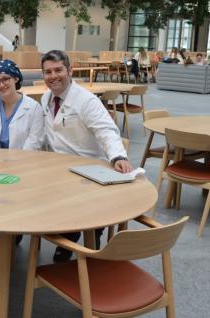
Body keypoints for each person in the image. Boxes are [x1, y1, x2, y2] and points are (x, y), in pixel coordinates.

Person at [40, 50, 131, 262]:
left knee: (87, 212)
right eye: (48, 72)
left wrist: (118, 157)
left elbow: (106, 131)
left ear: (70, 70)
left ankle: (91, 238)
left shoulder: (86, 101)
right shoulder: (46, 98)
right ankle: (67, 236)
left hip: (87, 169)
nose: (53, 76)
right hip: (58, 169)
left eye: (58, 70)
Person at [0, 59, 44, 151]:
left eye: (5, 79)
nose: (1, 85)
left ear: (16, 79)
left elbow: (34, 142)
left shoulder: (34, 108)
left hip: (23, 162)